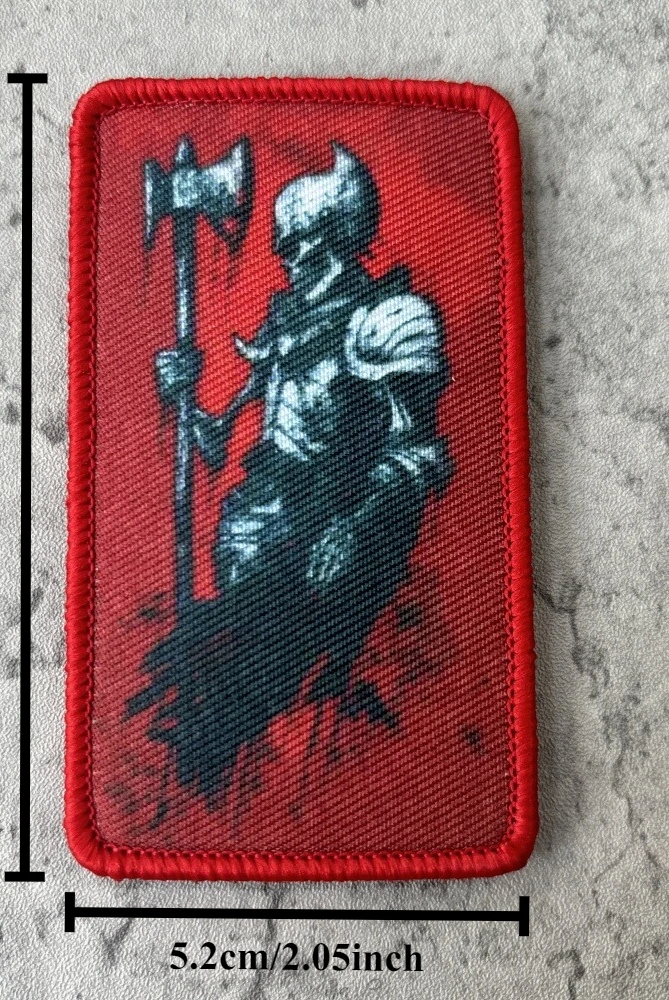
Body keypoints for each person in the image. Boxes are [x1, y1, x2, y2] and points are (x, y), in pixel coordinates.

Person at [128, 143, 452, 802]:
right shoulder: (287, 324)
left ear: (335, 241)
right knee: (206, 704)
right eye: (282, 244)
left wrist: (354, 528)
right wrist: (180, 395)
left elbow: (418, 454)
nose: (285, 257)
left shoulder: (384, 322)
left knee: (215, 705)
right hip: (250, 538)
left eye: (297, 244)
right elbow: (218, 442)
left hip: (315, 553)